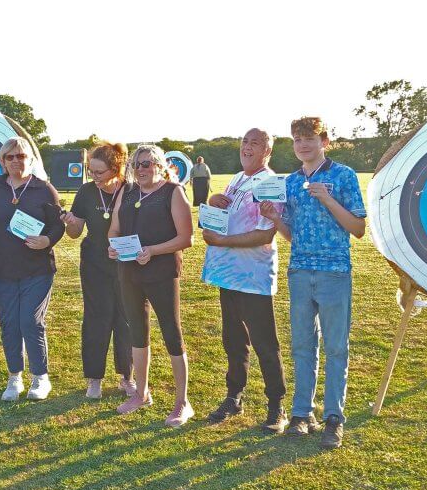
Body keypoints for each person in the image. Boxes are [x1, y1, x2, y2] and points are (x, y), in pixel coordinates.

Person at [261, 117, 366, 449]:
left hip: (335, 271)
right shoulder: (290, 182)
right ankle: (301, 413)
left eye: (309, 138)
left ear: (324, 141)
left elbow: (358, 228)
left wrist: (328, 199)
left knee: (336, 347)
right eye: (296, 139)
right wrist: (275, 219)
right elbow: (293, 235)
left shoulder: (343, 176)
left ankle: (334, 417)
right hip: (300, 272)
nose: (302, 145)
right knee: (303, 346)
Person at [201, 129, 288, 433]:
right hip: (229, 274)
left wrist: (222, 241)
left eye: (255, 143)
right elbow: (225, 215)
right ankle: (233, 396)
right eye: (244, 142)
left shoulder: (270, 183)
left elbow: (265, 234)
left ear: (267, 151)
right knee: (234, 341)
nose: (247, 147)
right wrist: (213, 201)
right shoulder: (238, 178)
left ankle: (277, 405)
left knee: (265, 342)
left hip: (252, 277)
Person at [108, 144, 194, 427]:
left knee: (172, 332)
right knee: (137, 332)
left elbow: (186, 238)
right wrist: (113, 245)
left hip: (162, 273)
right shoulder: (127, 191)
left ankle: (182, 402)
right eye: (137, 164)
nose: (142, 169)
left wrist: (153, 251)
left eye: (147, 164)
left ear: (160, 165)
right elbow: (115, 228)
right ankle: (142, 393)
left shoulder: (173, 192)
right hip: (129, 272)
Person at [0, 137, 65, 402]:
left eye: (21, 156)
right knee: (9, 324)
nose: (16, 161)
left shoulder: (44, 189)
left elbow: (58, 225)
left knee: (30, 321)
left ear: (31, 159)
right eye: (10, 157)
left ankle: (41, 377)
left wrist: (47, 240)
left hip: (37, 269)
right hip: (3, 269)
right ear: (2, 161)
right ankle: (14, 377)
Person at [62, 142, 136, 399]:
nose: (94, 177)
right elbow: (74, 233)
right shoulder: (85, 192)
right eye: (90, 171)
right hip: (94, 263)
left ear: (116, 168)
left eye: (99, 172)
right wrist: (70, 224)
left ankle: (127, 377)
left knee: (126, 318)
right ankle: (94, 379)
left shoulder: (131, 191)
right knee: (96, 317)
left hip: (126, 263)